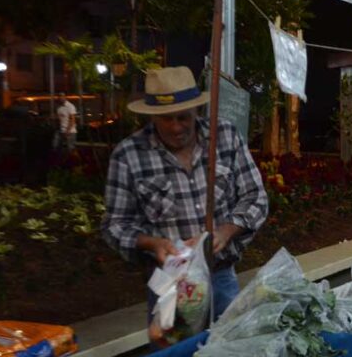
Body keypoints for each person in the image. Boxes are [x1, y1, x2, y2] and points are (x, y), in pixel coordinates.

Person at [102, 66, 268, 320]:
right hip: (170, 282)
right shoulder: (129, 155)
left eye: (183, 117)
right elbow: (115, 225)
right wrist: (152, 243)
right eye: (166, 119)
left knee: (231, 343)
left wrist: (226, 231)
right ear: (152, 116)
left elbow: (256, 196)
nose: (176, 127)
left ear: (196, 110)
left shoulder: (224, 137)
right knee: (175, 346)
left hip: (221, 276)